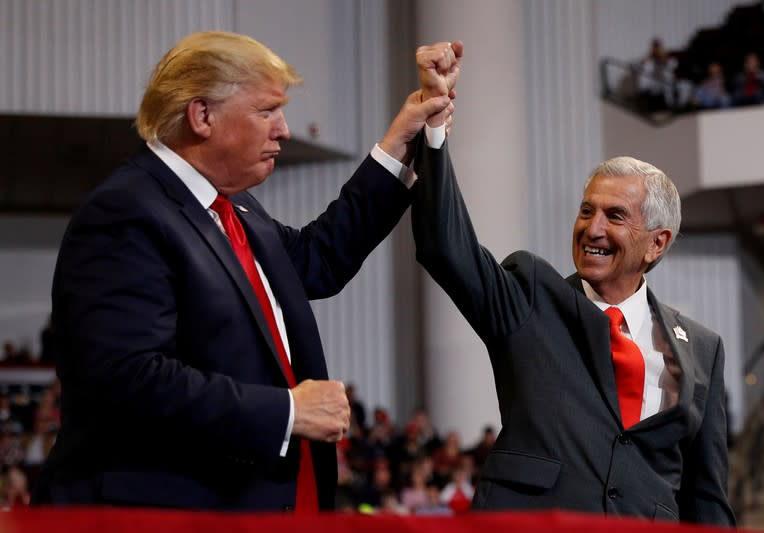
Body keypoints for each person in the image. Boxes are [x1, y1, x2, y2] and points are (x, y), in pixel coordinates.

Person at [31, 31, 454, 512]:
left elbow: (319, 259)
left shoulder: (235, 209)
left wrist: (400, 142)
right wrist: (288, 410)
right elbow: (126, 379)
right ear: (202, 115)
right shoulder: (125, 212)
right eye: (267, 110)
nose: (285, 129)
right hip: (160, 513)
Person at [411, 41, 735, 525]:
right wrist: (433, 130)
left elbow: (706, 496)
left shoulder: (702, 348)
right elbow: (446, 249)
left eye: (615, 216)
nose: (593, 228)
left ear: (657, 243)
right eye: (587, 210)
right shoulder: (531, 298)